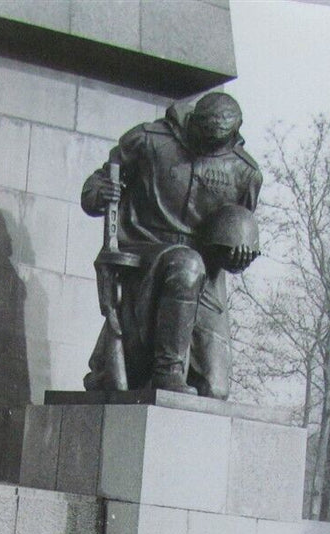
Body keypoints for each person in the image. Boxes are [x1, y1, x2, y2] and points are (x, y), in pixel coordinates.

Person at [80, 92, 262, 397]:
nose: (207, 145)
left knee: (214, 390)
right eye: (203, 134)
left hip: (204, 275)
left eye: (217, 141)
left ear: (235, 133)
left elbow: (233, 236)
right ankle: (168, 371)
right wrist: (102, 192)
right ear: (194, 121)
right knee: (186, 263)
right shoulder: (148, 140)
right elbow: (93, 189)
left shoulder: (246, 173)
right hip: (145, 251)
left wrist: (238, 256)